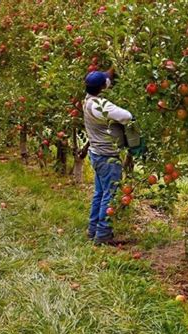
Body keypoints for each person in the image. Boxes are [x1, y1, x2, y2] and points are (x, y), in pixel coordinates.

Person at [83, 69, 132, 245]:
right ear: (103, 86)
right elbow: (126, 116)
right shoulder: (100, 105)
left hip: (96, 154)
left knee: (100, 193)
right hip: (107, 157)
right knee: (109, 195)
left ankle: (93, 229)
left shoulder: (88, 101)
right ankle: (103, 235)